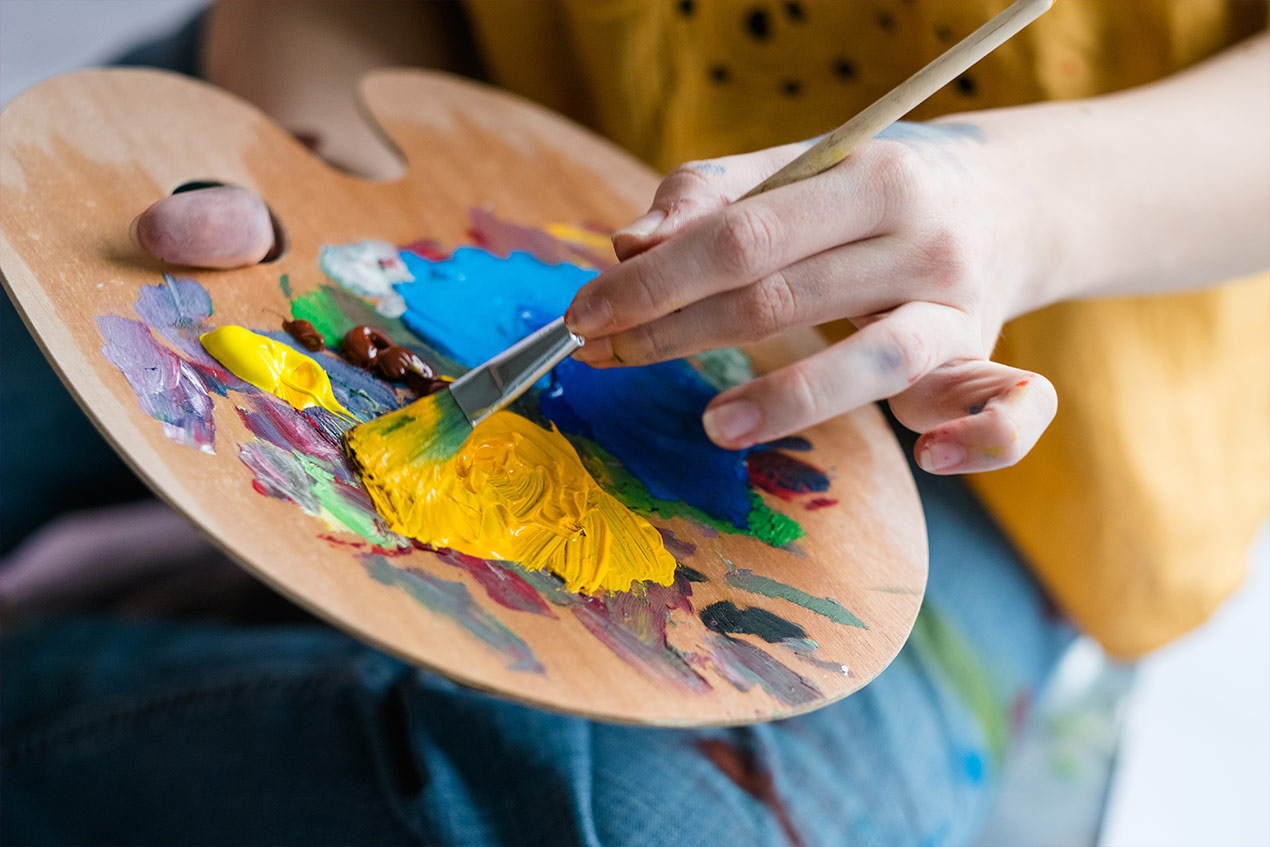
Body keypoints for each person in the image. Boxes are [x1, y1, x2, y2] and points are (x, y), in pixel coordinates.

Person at [2, 2, 1266, 844]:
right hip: (416, 112)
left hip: (977, 385)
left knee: (649, 819)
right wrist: (311, 145)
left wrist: (1021, 211)